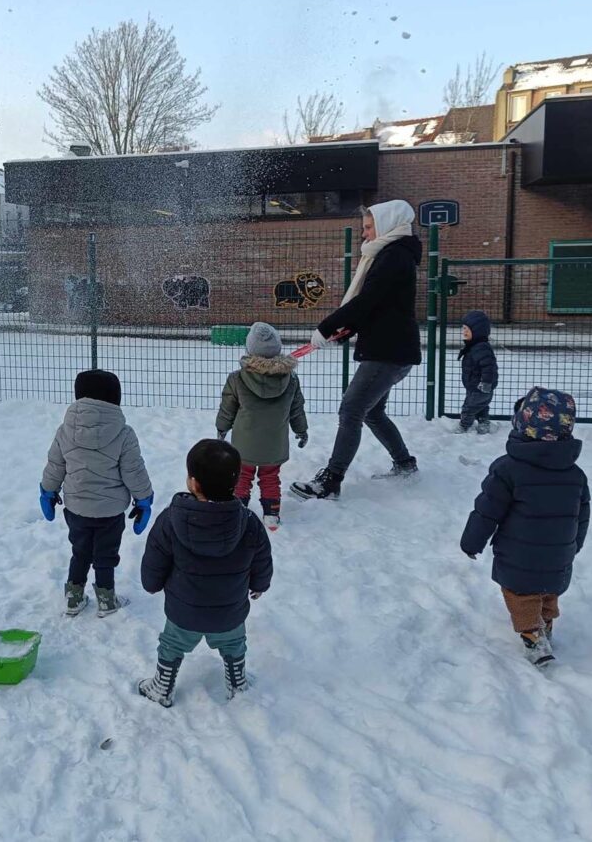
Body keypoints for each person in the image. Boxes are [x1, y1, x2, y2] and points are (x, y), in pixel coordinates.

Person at [291, 200, 422, 501]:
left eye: (368, 227)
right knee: (372, 412)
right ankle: (405, 464)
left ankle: (331, 480)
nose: (364, 234)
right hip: (392, 348)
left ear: (387, 223)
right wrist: (347, 328)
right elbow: (380, 306)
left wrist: (327, 327)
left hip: (387, 352)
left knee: (351, 410)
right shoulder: (392, 254)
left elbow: (367, 301)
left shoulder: (394, 256)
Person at [459, 387, 591, 667]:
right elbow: (582, 514)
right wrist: (574, 544)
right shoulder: (575, 474)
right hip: (559, 554)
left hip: (518, 555)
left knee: (520, 594)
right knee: (548, 590)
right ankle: (546, 624)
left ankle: (533, 635)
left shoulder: (507, 469)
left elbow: (487, 511)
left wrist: (471, 542)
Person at [137, 439, 273, 708]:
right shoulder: (249, 523)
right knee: (234, 644)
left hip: (183, 611)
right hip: (229, 611)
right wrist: (260, 585)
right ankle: (237, 684)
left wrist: (151, 584)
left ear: (193, 483)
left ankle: (162, 686)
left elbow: (155, 558)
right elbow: (262, 560)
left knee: (172, 644)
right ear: (235, 482)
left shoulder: (170, 520)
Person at [39, 369, 153, 618]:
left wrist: (48, 491)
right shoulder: (124, 433)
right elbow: (134, 471)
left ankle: (74, 597)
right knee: (105, 554)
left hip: (77, 508)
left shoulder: (65, 430)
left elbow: (56, 465)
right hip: (110, 512)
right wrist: (143, 499)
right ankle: (106, 599)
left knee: (80, 551)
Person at [216, 321, 309, 531]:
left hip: (244, 444)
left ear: (250, 349)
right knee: (270, 477)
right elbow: (297, 409)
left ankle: (238, 510)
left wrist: (222, 427)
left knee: (242, 476)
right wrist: (301, 430)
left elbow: (227, 408)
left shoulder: (237, 379)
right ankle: (272, 514)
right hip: (274, 443)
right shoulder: (291, 380)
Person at [457, 310, 498, 434]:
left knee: (469, 408)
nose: (464, 332)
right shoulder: (474, 346)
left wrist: (486, 383)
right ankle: (484, 424)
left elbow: (489, 368)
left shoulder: (481, 348)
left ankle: (463, 426)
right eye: (463, 328)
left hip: (480, 387)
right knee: (481, 406)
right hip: (475, 386)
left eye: (467, 329)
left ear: (477, 331)